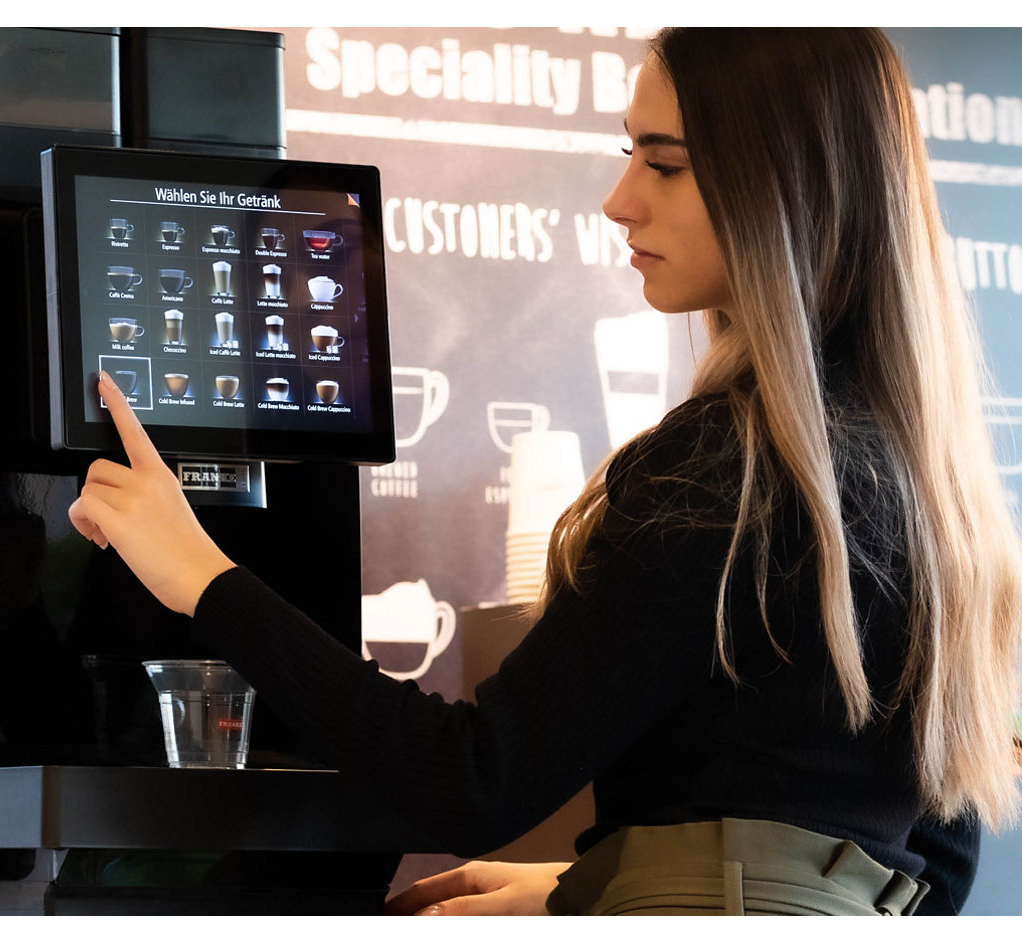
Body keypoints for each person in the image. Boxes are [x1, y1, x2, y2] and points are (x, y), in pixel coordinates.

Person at [67, 28, 1022, 915]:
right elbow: (931, 870)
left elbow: (470, 779)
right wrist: (595, 883)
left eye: (665, 163)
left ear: (787, 187)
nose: (621, 200)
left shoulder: (723, 467)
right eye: (628, 156)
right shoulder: (918, 482)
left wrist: (202, 576)